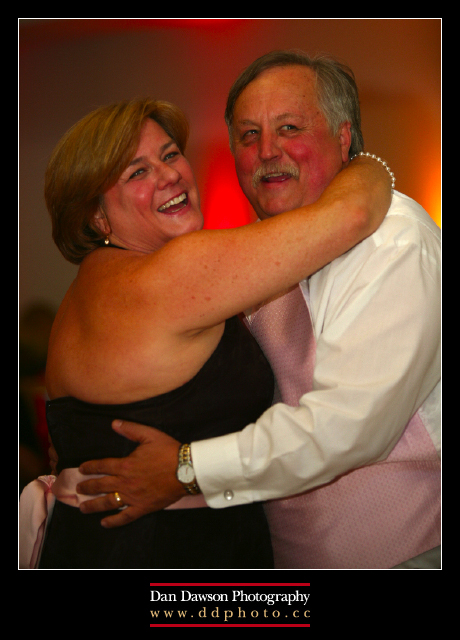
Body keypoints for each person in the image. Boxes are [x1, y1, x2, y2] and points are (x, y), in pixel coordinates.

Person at [75, 51, 441, 570]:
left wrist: (186, 467)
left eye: (289, 127)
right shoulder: (246, 261)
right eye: (248, 136)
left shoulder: (393, 243)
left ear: (343, 138)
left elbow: (344, 428)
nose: (267, 151)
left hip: (400, 554)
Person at [19, 95, 391, 569]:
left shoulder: (90, 289)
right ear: (96, 216)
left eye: (170, 154)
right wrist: (362, 159)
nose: (169, 174)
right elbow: (354, 214)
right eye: (136, 172)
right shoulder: (170, 275)